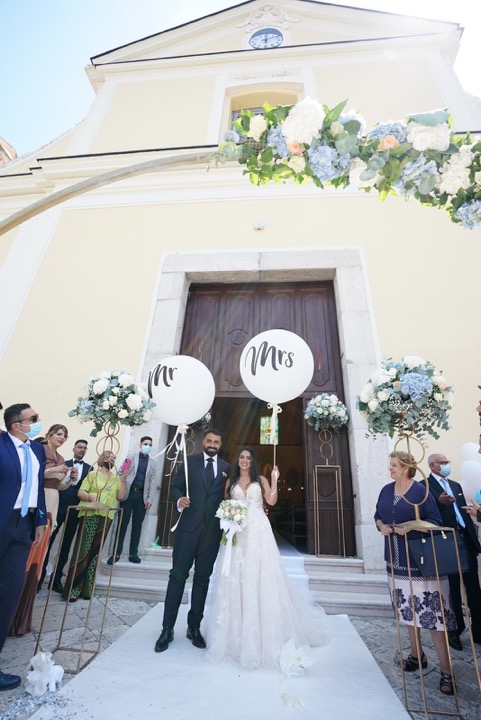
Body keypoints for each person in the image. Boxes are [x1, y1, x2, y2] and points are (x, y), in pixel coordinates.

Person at [205, 447, 328, 669]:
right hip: (237, 532)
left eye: (248, 458)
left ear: (253, 461)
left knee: (259, 573)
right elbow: (226, 504)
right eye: (242, 457)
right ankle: (234, 633)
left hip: (258, 531)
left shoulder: (260, 480)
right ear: (238, 460)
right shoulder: (231, 481)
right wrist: (230, 516)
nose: (244, 460)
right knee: (236, 576)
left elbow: (271, 501)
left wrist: (274, 479)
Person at [375, 451, 457, 696]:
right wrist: (382, 526)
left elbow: (434, 521)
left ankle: (446, 671)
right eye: (390, 464)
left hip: (421, 564)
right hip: (396, 562)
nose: (390, 468)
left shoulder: (420, 491)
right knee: (408, 612)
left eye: (394, 465)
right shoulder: (386, 490)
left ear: (406, 467)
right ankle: (416, 655)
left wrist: (410, 528)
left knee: (434, 618)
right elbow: (378, 515)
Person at [154, 429, 230, 653]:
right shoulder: (189, 462)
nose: (212, 444)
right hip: (187, 530)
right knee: (177, 577)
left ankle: (194, 627)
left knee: (202, 580)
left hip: (212, 533)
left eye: (216, 442)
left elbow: (231, 495)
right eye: (209, 441)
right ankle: (167, 629)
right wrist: (179, 500)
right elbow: (175, 487)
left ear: (221, 444)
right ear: (203, 442)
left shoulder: (227, 468)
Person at [0, 403, 47, 691]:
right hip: (2, 521)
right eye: (33, 419)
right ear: (16, 425)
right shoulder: (2, 445)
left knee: (10, 591)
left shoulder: (37, 450)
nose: (38, 421)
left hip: (24, 525)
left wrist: (40, 519)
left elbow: (38, 486)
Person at [9, 424, 69, 635]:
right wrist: (53, 470)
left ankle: (25, 612)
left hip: (54, 500)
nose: (62, 438)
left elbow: (59, 485)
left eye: (65, 436)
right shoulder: (39, 450)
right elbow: (34, 475)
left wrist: (70, 478)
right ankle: (13, 613)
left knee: (42, 554)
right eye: (59, 434)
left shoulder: (60, 457)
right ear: (49, 435)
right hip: (40, 499)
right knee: (30, 552)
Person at [424, 453, 481, 650]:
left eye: (447, 462)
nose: (446, 465)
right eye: (442, 463)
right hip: (445, 541)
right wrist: (439, 503)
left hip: (465, 539)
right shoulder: (424, 486)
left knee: (474, 588)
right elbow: (425, 513)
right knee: (452, 590)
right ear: (432, 466)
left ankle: (478, 630)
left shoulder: (455, 485)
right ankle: (455, 631)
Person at [62, 450, 126, 602]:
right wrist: (91, 498)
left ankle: (87, 589)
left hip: (106, 516)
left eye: (114, 458)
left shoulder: (115, 478)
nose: (112, 460)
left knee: (95, 552)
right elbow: (81, 492)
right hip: (90, 514)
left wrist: (123, 480)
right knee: (83, 550)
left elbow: (120, 496)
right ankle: (73, 588)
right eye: (109, 457)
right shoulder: (93, 474)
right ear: (103, 458)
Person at [40, 439, 91, 593]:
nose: (82, 450)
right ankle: (39, 577)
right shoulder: (63, 463)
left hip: (75, 511)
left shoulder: (90, 469)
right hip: (58, 507)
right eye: (79, 447)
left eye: (85, 448)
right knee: (48, 542)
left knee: (66, 546)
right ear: (74, 448)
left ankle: (56, 580)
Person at [107, 436, 156, 565]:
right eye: (145, 444)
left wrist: (150, 499)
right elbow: (120, 473)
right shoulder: (130, 457)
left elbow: (152, 482)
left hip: (141, 497)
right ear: (140, 445)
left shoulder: (153, 463)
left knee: (137, 526)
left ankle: (133, 554)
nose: (148, 446)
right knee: (122, 524)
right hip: (128, 494)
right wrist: (121, 488)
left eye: (150, 445)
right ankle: (116, 553)